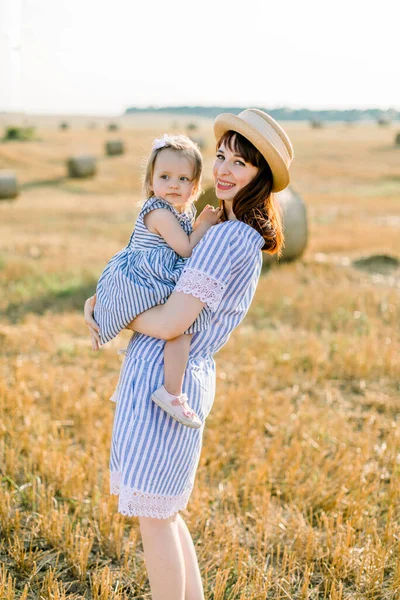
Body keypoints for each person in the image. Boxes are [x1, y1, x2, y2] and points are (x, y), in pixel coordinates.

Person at [85, 109, 294, 600]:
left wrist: (114, 311)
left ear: (260, 176)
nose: (223, 170)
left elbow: (173, 322)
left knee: (155, 520)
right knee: (164, 513)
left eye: (239, 164)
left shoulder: (226, 237)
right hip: (173, 374)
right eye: (220, 156)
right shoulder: (233, 231)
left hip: (164, 376)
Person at [93, 134, 221, 429]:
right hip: (141, 280)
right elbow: (186, 248)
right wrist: (204, 226)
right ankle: (170, 392)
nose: (173, 184)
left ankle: (169, 391)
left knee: (183, 326)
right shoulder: (159, 212)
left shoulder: (180, 211)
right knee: (182, 324)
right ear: (151, 182)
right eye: (165, 177)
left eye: (183, 178)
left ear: (195, 186)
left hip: (157, 278)